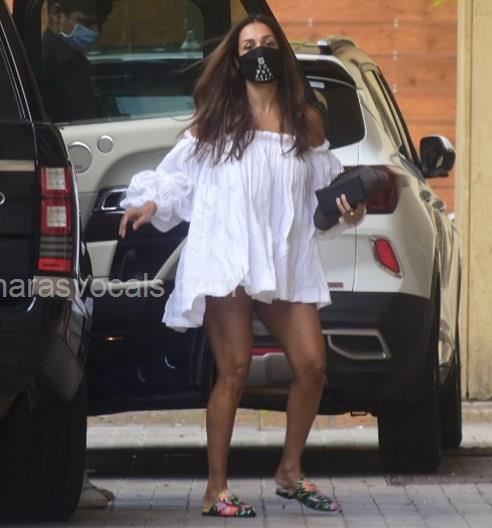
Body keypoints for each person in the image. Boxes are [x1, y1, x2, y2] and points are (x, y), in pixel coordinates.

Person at [117, 14, 365, 518]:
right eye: (249, 46)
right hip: (228, 254)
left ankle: (290, 470)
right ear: (235, 59)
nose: (259, 52)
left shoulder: (305, 122)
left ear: (281, 53)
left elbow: (324, 194)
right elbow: (178, 178)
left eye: (268, 43)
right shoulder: (217, 120)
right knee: (233, 369)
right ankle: (216, 489)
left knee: (312, 365)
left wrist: (349, 211)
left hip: (282, 257)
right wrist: (151, 203)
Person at [40, 0, 115, 122]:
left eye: (100, 23)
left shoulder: (76, 60)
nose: (95, 31)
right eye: (86, 23)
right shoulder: (44, 64)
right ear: (57, 14)